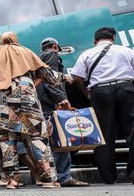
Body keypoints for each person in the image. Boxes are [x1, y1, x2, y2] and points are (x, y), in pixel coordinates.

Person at [0, 31, 62, 189]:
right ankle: (48, 179)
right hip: (25, 96)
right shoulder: (25, 51)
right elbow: (48, 75)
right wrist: (64, 78)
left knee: (7, 141)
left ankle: (12, 180)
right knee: (37, 137)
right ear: (15, 40)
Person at [71, 27, 134, 185]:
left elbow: (77, 78)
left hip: (100, 92)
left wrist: (87, 93)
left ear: (95, 40)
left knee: (103, 134)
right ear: (113, 38)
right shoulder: (126, 50)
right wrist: (127, 85)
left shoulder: (87, 54)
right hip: (125, 88)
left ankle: (108, 177)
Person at [36, 37, 90, 187]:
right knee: (61, 139)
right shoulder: (51, 55)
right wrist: (61, 98)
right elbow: (50, 79)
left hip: (42, 103)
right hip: (49, 103)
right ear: (54, 46)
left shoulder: (39, 57)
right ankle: (63, 177)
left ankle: (52, 176)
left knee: (49, 142)